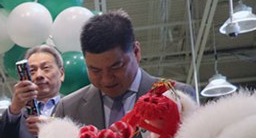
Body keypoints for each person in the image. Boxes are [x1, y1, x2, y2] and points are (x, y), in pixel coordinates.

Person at [54, 10, 195, 128]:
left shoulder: (178, 97)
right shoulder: (68, 110)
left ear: (136, 52)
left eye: (116, 66)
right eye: (95, 70)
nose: (107, 79)